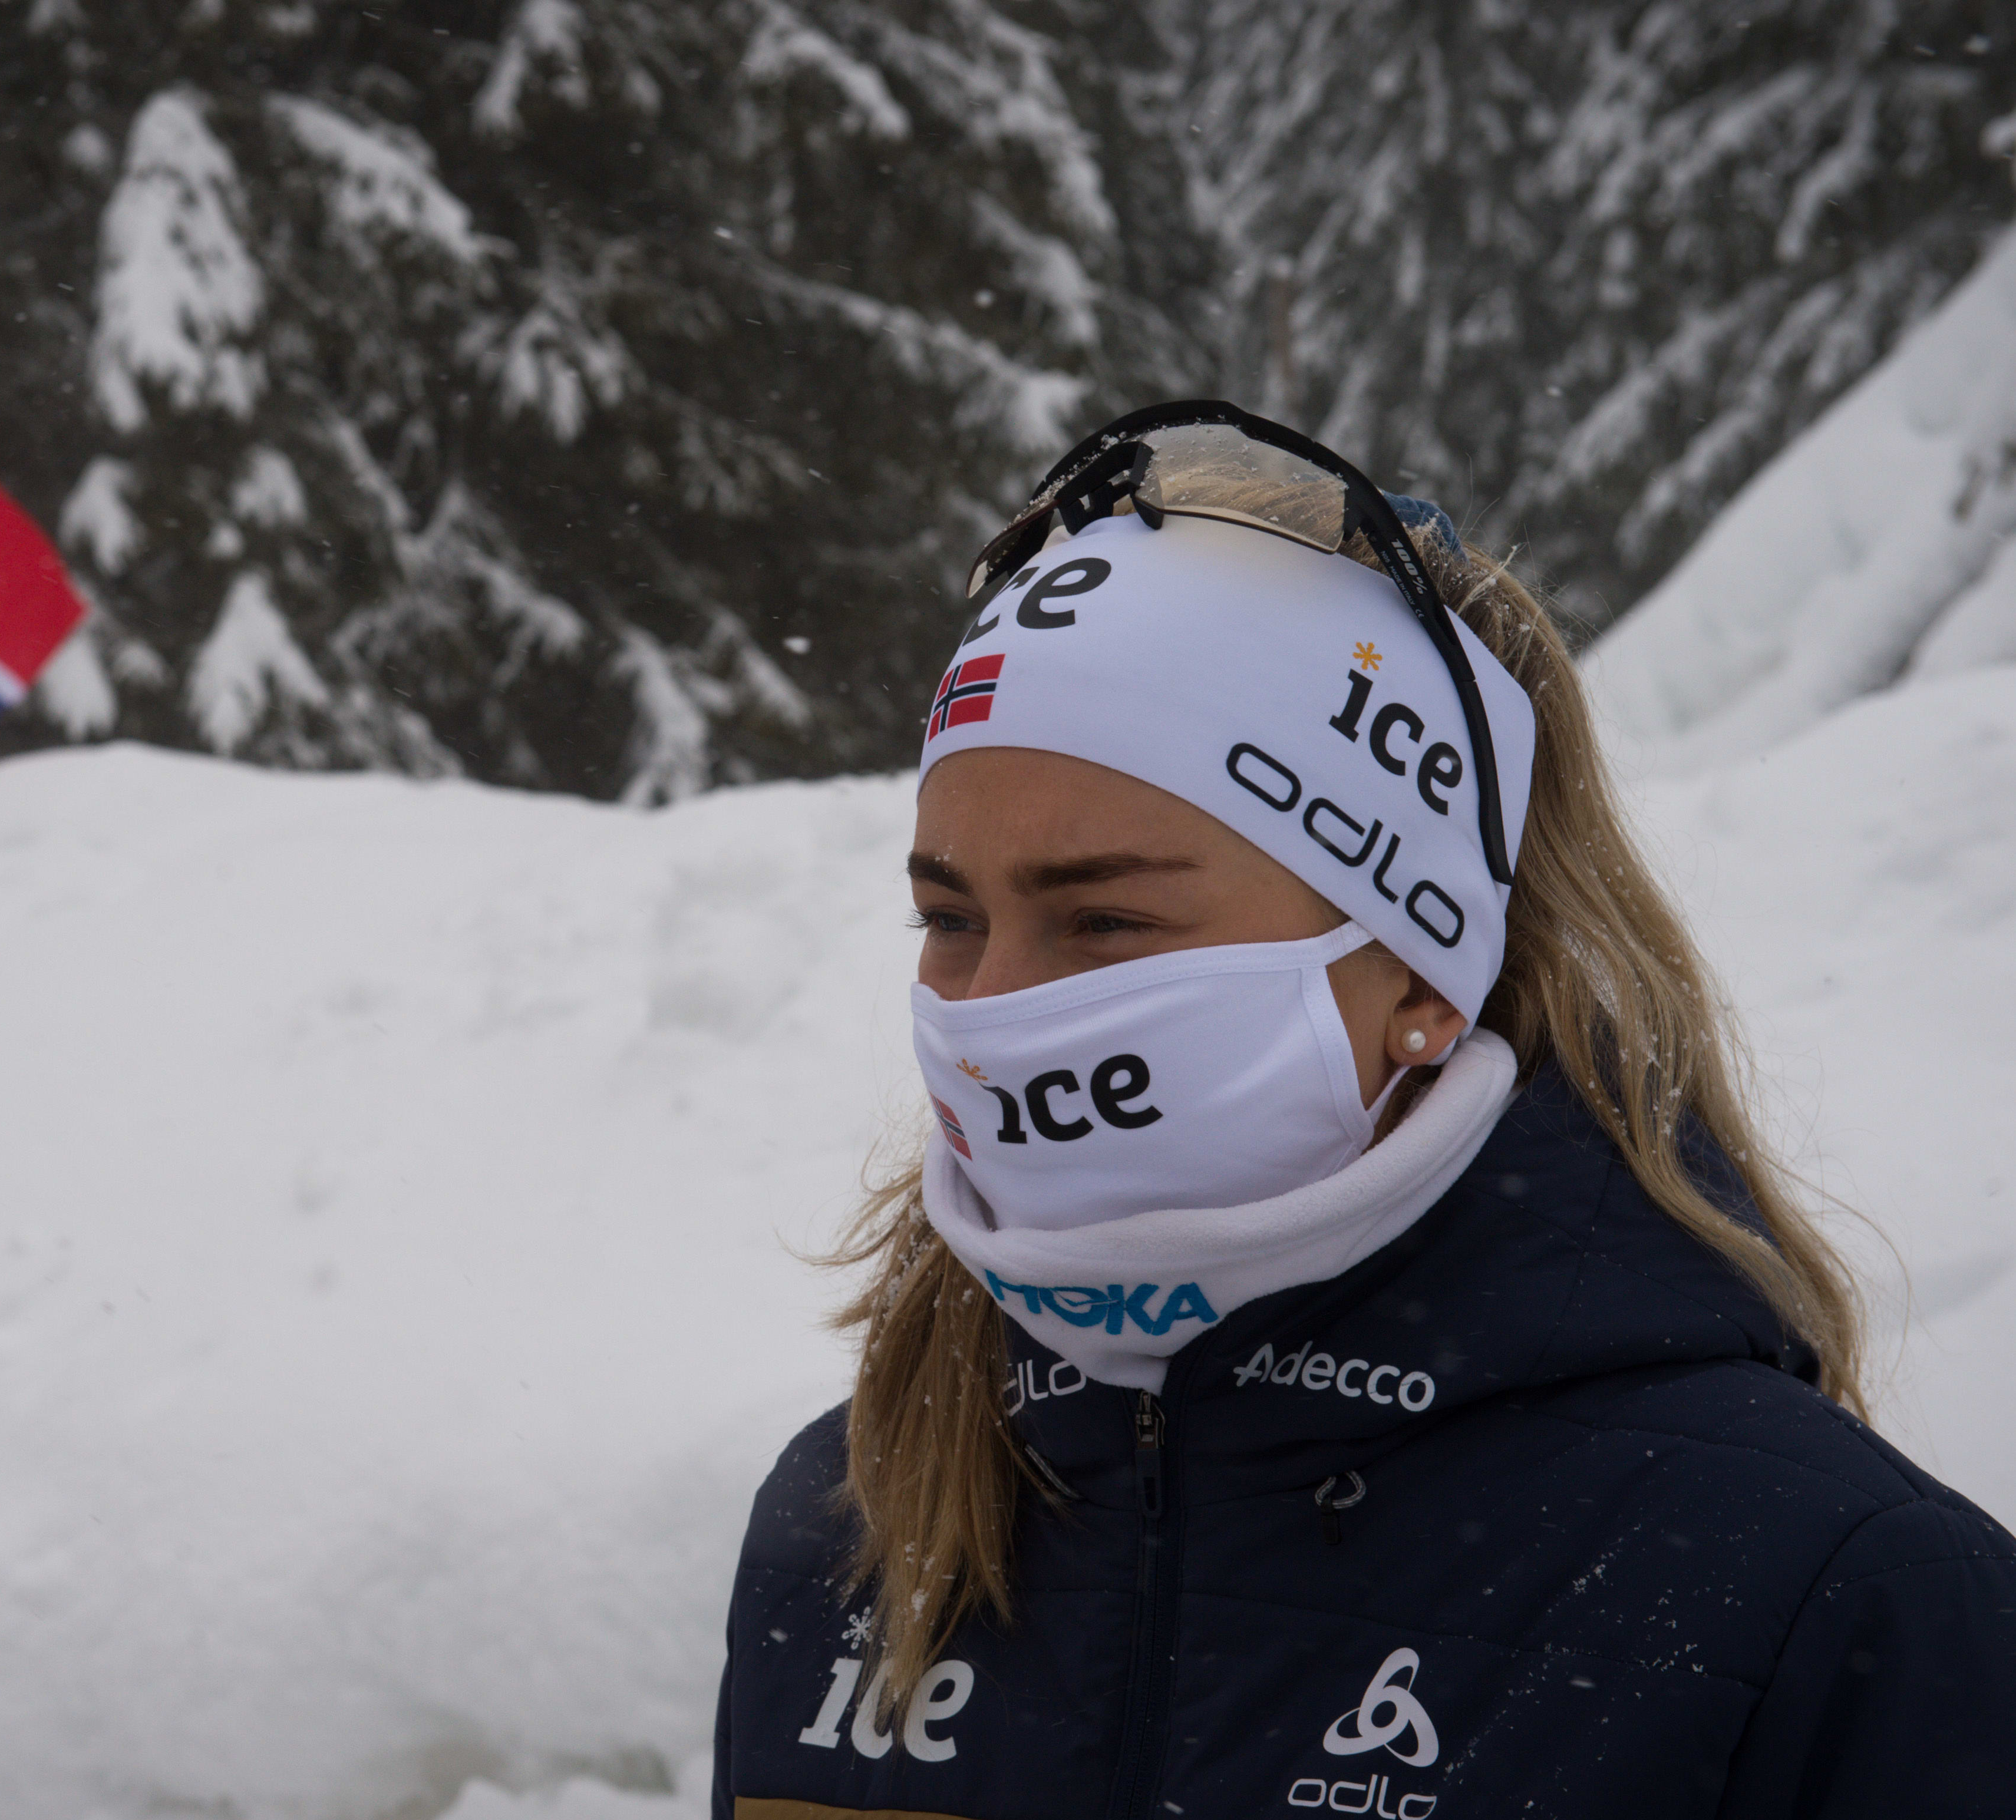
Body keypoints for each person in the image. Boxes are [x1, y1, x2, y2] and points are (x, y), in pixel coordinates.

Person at [710, 402, 2016, 1820]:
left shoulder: (1831, 1591)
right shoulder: (854, 1514)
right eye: (949, 917)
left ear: (1421, 972)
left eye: (1105, 920)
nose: (996, 1008)